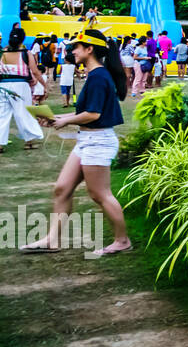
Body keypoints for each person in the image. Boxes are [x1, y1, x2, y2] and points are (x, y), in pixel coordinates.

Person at [20, 28, 130, 257]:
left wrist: (64, 121)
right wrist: (58, 118)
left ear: (89, 49)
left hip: (98, 141)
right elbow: (87, 114)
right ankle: (52, 240)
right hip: (87, 139)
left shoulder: (99, 76)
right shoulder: (96, 74)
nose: (72, 51)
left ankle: (122, 240)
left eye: (76, 47)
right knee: (62, 189)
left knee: (100, 194)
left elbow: (93, 114)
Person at [0, 27, 46, 151]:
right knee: (23, 113)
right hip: (20, 85)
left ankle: (0, 145)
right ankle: (29, 142)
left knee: (2, 115)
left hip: (3, 85)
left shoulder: (2, 53)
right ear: (23, 39)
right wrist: (45, 85)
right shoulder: (26, 53)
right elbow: (35, 71)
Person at [59, 37, 79, 106]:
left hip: (63, 81)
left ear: (66, 60)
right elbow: (77, 72)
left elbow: (59, 72)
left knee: (64, 92)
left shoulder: (62, 66)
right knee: (68, 92)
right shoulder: (73, 66)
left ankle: (65, 103)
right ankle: (68, 102)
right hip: (70, 81)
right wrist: (79, 76)